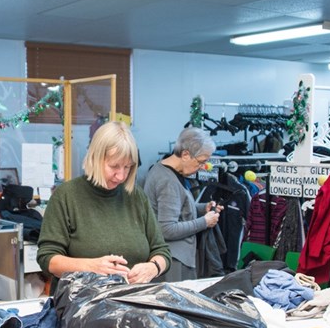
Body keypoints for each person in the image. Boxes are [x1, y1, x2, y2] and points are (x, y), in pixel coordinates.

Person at [36, 121, 171, 294]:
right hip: (81, 306)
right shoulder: (66, 196)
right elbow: (48, 259)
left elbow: (162, 251)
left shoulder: (136, 197)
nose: (121, 175)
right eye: (114, 166)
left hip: (133, 303)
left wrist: (153, 267)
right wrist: (90, 267)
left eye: (127, 167)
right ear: (95, 158)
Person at [143, 127, 222, 282]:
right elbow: (167, 229)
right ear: (186, 154)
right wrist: (205, 222)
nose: (201, 167)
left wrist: (201, 209)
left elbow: (176, 209)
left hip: (174, 257)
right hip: (174, 261)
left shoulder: (166, 171)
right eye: (201, 162)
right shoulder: (167, 181)